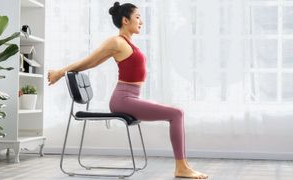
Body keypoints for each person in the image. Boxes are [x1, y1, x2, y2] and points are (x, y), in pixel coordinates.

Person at [47, 2, 208, 179]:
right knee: (176, 113)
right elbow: (89, 61)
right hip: (123, 100)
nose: (141, 22)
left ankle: (183, 166)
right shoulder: (116, 42)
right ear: (125, 20)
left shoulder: (128, 43)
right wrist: (60, 72)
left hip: (131, 98)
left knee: (176, 113)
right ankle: (182, 167)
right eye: (137, 17)